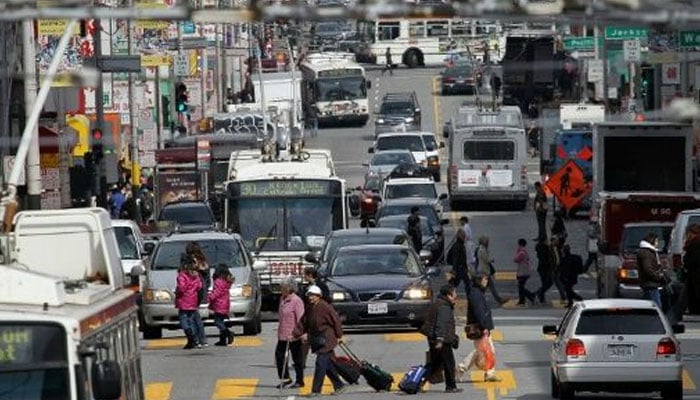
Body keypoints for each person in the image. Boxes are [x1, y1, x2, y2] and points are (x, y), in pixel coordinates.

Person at [301, 285, 346, 397]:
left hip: (327, 339)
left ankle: (316, 390)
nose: (310, 297)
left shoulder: (325, 306)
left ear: (318, 296)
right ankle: (339, 385)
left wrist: (339, 335)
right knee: (327, 364)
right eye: (309, 295)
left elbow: (336, 320)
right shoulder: (310, 307)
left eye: (313, 295)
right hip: (317, 339)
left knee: (320, 364)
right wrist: (302, 333)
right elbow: (305, 322)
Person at [421, 284, 462, 393]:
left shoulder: (439, 303)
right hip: (442, 341)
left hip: (437, 339)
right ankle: (451, 386)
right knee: (449, 363)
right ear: (449, 295)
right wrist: (440, 339)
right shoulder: (444, 307)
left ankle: (416, 380)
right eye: (454, 293)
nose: (456, 295)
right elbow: (441, 324)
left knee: (435, 364)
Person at [467, 274, 501, 382]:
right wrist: (484, 327)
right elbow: (479, 312)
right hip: (479, 328)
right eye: (485, 279)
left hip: (481, 326)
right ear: (479, 281)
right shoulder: (476, 294)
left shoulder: (478, 292)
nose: (487, 281)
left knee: (484, 351)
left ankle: (489, 373)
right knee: (485, 351)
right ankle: (461, 369)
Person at [276, 277, 306, 389]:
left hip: (294, 335)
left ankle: (300, 380)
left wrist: (299, 333)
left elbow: (301, 319)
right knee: (280, 356)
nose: (281, 289)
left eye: (283, 287)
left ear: (289, 288)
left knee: (297, 359)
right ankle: (286, 378)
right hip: (283, 335)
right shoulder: (282, 299)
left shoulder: (296, 301)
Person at [175, 255, 203, 350]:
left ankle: (189, 334)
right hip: (193, 301)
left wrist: (177, 291)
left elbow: (181, 288)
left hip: (184, 300)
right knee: (191, 320)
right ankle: (195, 339)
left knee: (183, 319)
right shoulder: (196, 276)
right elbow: (199, 287)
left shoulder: (182, 275)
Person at [186, 242, 210, 347]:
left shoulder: (191, 262)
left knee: (193, 316)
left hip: (192, 291)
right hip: (201, 290)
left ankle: (198, 339)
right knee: (195, 315)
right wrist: (204, 288)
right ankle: (201, 339)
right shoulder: (203, 261)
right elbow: (208, 280)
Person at [208, 266, 235, 346]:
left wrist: (210, 297)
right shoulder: (226, 282)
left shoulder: (218, 281)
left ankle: (228, 333)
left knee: (217, 322)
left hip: (219, 304)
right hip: (225, 303)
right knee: (221, 321)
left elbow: (217, 292)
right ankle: (222, 339)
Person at [637, 232, 666, 308]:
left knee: (649, 305)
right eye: (656, 241)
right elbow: (648, 269)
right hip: (650, 283)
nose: (657, 243)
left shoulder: (649, 252)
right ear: (652, 241)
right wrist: (658, 277)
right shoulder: (647, 253)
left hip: (650, 283)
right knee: (656, 306)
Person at [475, 236, 506, 305]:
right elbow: (486, 260)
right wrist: (491, 260)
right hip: (484, 271)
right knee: (484, 287)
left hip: (484, 271)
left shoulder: (482, 249)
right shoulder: (482, 250)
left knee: (486, 287)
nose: (488, 243)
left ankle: (498, 299)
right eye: (487, 242)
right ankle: (498, 299)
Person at [447, 229, 470, 296]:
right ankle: (448, 294)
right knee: (464, 283)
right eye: (463, 236)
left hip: (461, 268)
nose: (464, 237)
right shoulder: (457, 246)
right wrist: (454, 269)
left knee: (464, 283)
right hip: (459, 268)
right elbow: (455, 258)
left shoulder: (460, 245)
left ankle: (470, 296)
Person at [513, 239, 536, 306]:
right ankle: (529, 297)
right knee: (521, 286)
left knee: (521, 287)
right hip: (525, 271)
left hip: (522, 272)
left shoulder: (521, 252)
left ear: (520, 244)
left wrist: (517, 251)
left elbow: (515, 259)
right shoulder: (524, 251)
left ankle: (526, 298)